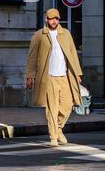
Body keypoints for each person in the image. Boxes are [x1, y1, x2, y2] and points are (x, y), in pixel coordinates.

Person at [26, 8, 83, 147]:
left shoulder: (66, 34)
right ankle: (53, 137)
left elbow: (73, 54)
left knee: (67, 105)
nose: (54, 21)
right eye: (51, 18)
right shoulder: (39, 35)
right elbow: (32, 57)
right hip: (49, 77)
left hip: (64, 76)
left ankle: (58, 129)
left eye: (56, 18)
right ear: (46, 19)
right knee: (52, 108)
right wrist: (30, 76)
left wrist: (78, 73)